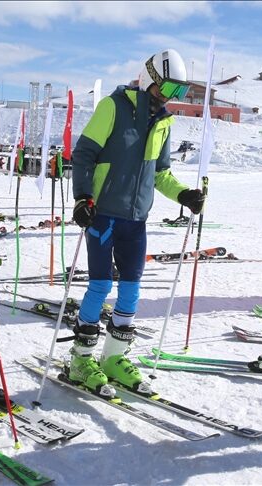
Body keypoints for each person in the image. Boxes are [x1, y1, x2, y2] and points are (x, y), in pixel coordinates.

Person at [69, 49, 205, 394]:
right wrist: (83, 197)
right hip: (103, 214)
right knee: (100, 287)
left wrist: (184, 194)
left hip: (136, 219)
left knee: (130, 290)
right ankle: (81, 360)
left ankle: (114, 357)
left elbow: (160, 174)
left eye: (179, 92)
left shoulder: (163, 122)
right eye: (167, 88)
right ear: (149, 79)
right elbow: (84, 153)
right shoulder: (112, 107)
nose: (170, 97)